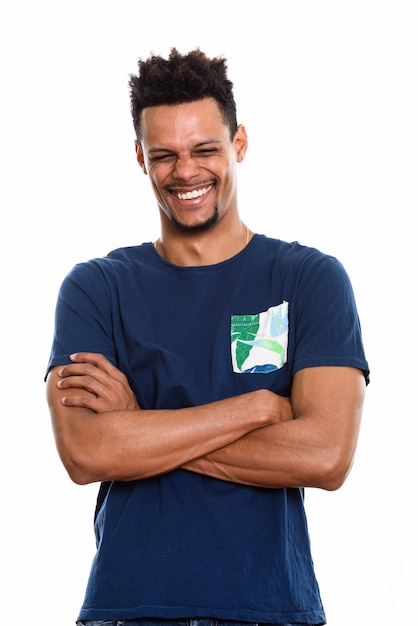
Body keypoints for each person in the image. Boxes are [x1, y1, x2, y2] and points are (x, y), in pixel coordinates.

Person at [45, 48, 369, 626]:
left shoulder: (310, 279)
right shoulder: (96, 288)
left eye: (205, 150)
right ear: (141, 157)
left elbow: (325, 456)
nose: (186, 172)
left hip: (273, 608)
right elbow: (87, 451)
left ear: (239, 143)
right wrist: (258, 408)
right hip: (130, 608)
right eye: (165, 155)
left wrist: (141, 421)